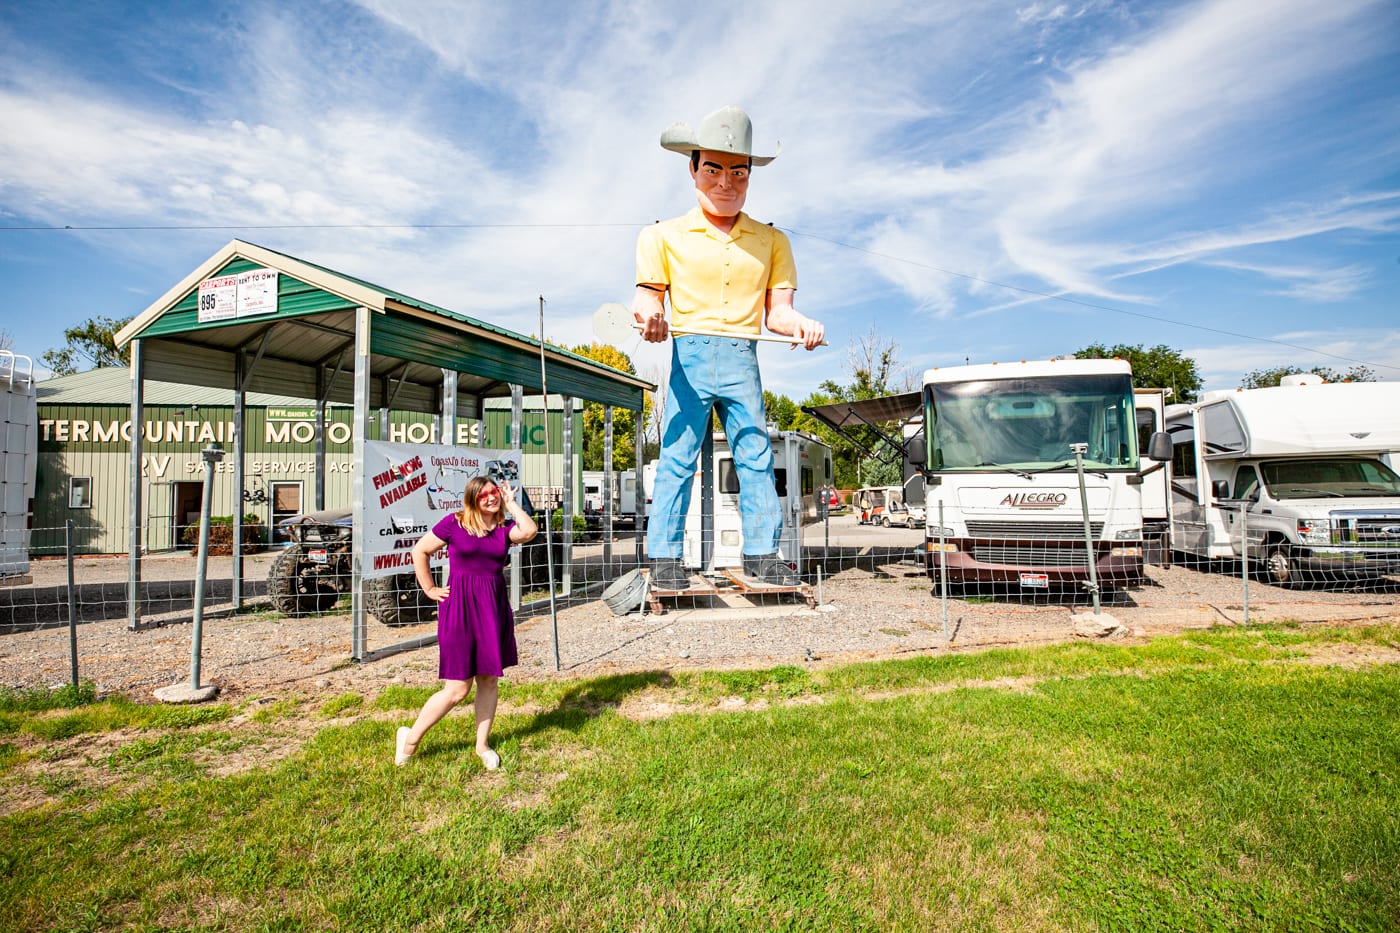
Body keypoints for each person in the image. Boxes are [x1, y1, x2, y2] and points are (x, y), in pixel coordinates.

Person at [634, 105, 825, 590]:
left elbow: (776, 313)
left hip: (743, 355)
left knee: (756, 454)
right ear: (693, 169)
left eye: (738, 172)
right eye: (714, 170)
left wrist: (799, 324)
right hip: (688, 357)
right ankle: (664, 559)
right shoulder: (661, 235)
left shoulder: (772, 240)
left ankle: (763, 554)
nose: (726, 183)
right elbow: (647, 299)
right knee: (677, 455)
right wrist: (650, 315)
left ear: (749, 177)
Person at [394, 474, 537, 770]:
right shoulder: (454, 523)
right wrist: (429, 588)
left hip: (492, 608)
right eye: (483, 494)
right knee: (457, 689)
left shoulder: (503, 529)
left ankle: (482, 745)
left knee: (488, 679)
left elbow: (530, 530)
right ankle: (410, 738)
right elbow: (419, 550)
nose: (490, 497)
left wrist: (512, 505)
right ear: (473, 497)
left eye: (494, 492)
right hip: (459, 608)